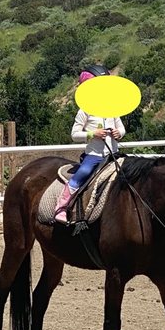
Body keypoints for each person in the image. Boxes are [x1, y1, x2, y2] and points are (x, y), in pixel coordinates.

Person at [54, 65, 125, 224]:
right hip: (95, 155)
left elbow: (121, 128)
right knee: (83, 172)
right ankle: (61, 207)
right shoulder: (85, 110)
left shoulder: (112, 108)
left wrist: (118, 133)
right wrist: (92, 134)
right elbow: (74, 134)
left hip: (114, 154)